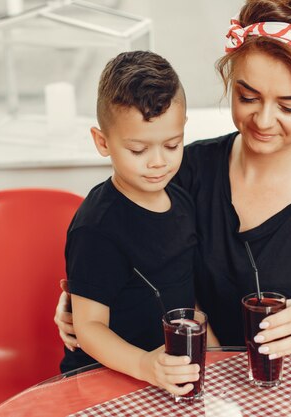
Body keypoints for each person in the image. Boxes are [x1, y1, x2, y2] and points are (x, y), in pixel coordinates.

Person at [55, 0, 291, 373]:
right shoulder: (182, 172)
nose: (264, 120)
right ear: (229, 80)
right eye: (248, 97)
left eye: (289, 107)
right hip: (210, 394)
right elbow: (118, 243)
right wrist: (88, 306)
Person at [59, 50, 207, 397]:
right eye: (138, 150)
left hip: (167, 379)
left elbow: (192, 299)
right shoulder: (97, 227)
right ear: (103, 142)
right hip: (101, 382)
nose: (158, 162)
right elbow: (89, 326)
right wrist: (144, 365)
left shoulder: (183, 201)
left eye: (172, 145)